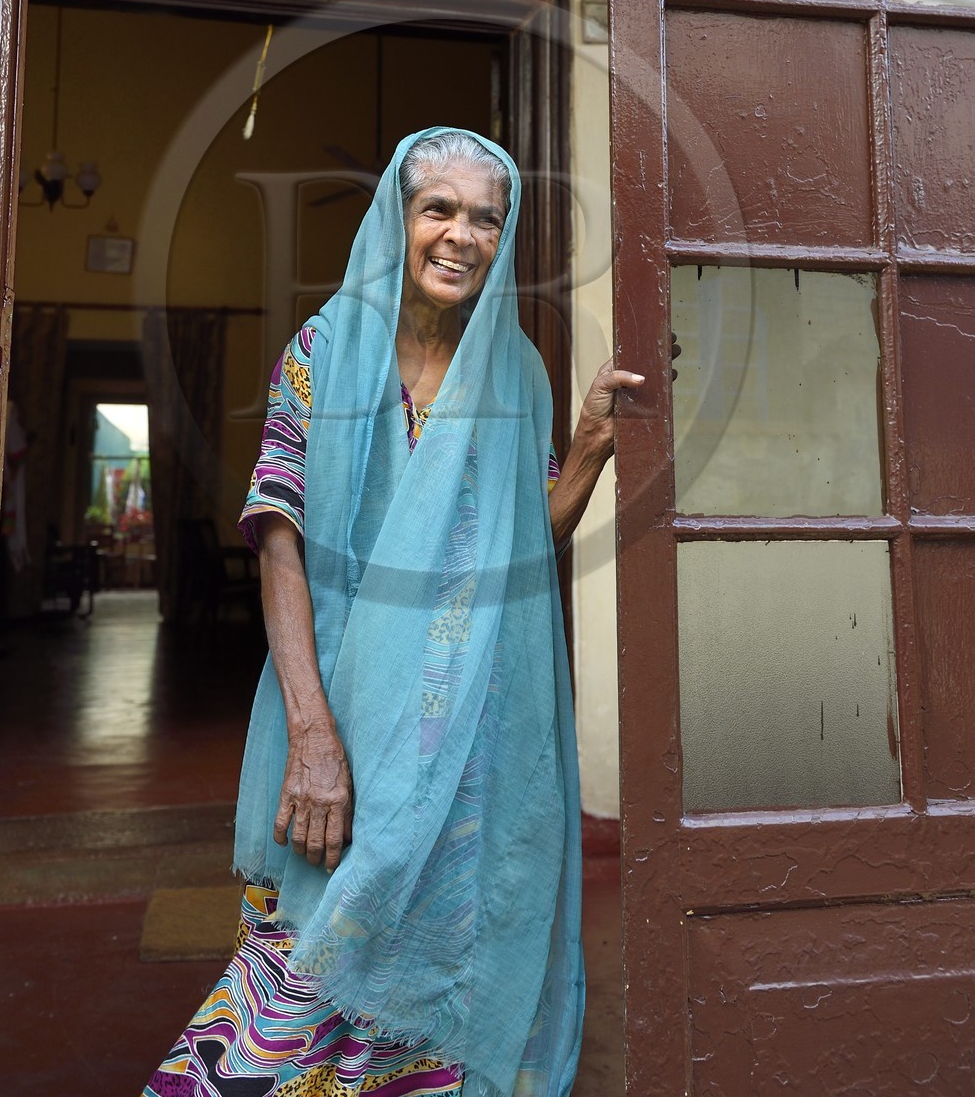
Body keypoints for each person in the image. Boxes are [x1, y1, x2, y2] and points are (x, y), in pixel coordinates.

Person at [143, 128, 643, 1097]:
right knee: (320, 945)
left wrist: (585, 448)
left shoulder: (517, 373)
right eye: (439, 209)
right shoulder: (326, 352)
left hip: (473, 734)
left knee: (446, 957)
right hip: (340, 711)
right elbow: (277, 540)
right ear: (397, 219)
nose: (461, 235)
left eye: (485, 217)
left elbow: (517, 539)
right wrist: (313, 736)